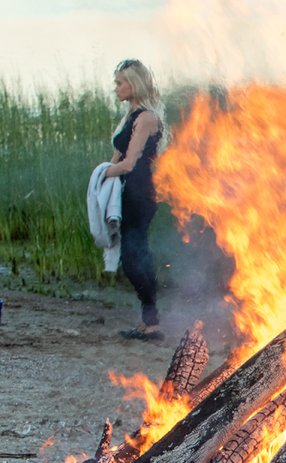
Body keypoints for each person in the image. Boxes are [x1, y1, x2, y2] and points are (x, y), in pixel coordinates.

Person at [105, 58, 168, 341]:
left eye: (120, 82)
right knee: (131, 255)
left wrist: (102, 173)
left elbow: (129, 163)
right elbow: (118, 156)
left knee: (135, 255)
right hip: (127, 191)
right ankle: (147, 322)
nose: (115, 87)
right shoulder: (131, 115)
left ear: (134, 84)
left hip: (140, 191)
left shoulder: (146, 118)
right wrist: (105, 177)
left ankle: (152, 323)